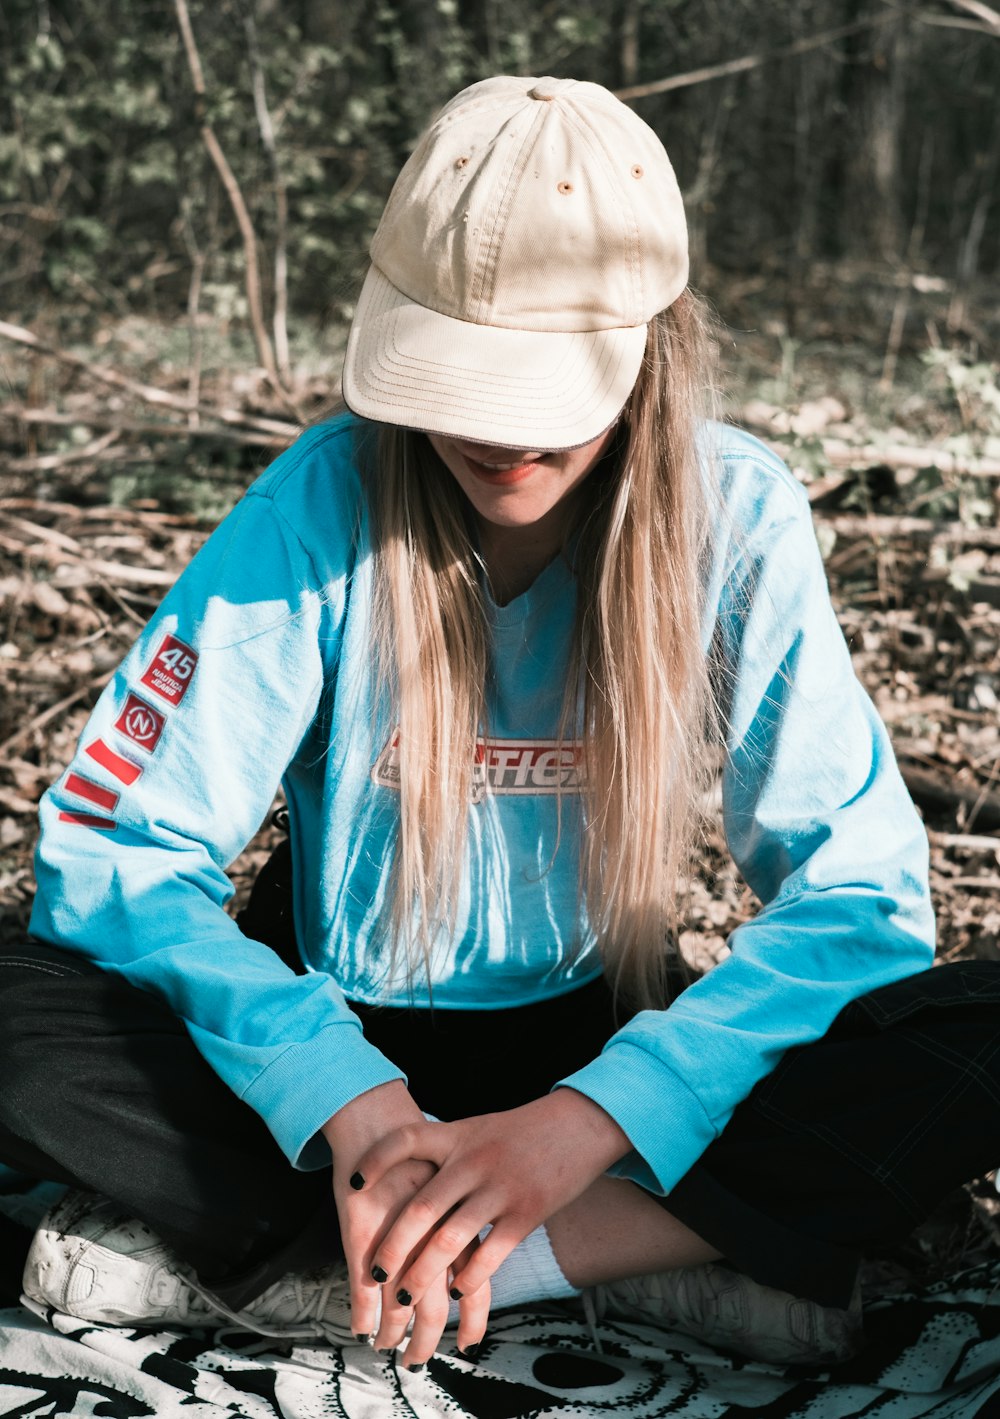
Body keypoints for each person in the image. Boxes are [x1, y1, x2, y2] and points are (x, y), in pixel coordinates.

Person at [4, 75, 999, 1373]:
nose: (492, 431)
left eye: (539, 386)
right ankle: (641, 1247)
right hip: (319, 1045)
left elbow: (859, 896)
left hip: (595, 1045)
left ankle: (449, 1255)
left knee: (972, 1028)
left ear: (653, 339)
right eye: (460, 377)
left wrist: (598, 1114)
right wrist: (342, 1098)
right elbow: (113, 847)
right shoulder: (321, 508)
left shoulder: (734, 518)